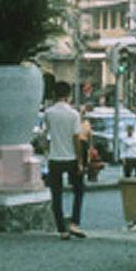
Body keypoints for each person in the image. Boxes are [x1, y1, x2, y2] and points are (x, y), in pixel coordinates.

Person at [44, 81, 86, 240]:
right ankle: (75, 222)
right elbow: (76, 138)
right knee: (79, 190)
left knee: (56, 194)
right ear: (69, 95)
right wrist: (80, 161)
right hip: (72, 157)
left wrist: (47, 150)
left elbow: (45, 135)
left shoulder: (49, 113)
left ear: (54, 94)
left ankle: (62, 229)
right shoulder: (74, 114)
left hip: (55, 157)